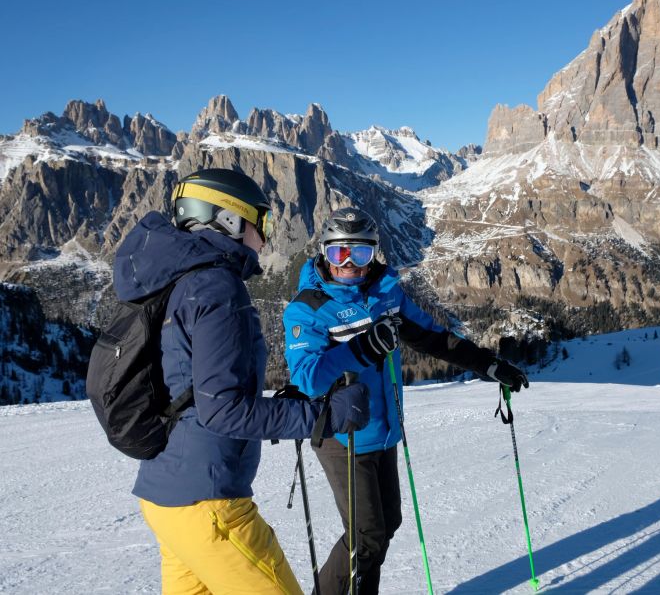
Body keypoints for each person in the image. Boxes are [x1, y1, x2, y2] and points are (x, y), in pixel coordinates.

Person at [114, 169, 370, 595]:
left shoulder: (178, 277)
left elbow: (196, 388)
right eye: (263, 223)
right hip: (209, 504)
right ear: (229, 221)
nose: (266, 238)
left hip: (166, 496)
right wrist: (324, 414)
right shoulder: (216, 287)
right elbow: (224, 410)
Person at [282, 207, 529, 594]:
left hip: (383, 430)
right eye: (339, 253)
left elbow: (432, 337)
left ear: (374, 254)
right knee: (366, 536)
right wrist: (361, 348)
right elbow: (308, 378)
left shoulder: (386, 293)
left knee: (386, 525)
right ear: (324, 254)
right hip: (341, 434)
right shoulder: (308, 308)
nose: (348, 264)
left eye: (359, 254)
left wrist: (489, 365)